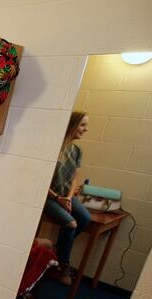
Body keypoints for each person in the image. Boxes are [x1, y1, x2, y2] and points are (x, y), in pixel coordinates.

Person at [45, 111, 91, 286]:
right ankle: (63, 264)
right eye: (82, 125)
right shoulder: (54, 148)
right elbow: (42, 182)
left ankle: (56, 251)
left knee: (85, 218)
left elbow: (74, 177)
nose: (85, 129)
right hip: (49, 196)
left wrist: (70, 198)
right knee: (71, 223)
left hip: (64, 196)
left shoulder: (77, 150)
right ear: (72, 125)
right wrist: (58, 198)